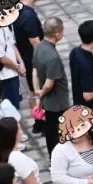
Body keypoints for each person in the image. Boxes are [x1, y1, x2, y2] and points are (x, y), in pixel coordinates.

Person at [33, 16, 69, 154]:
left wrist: (37, 91)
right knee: (58, 135)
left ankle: (52, 157)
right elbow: (49, 84)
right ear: (57, 34)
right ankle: (57, 159)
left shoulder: (39, 47)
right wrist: (41, 92)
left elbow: (35, 71)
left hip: (47, 102)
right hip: (57, 103)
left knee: (50, 131)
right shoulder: (53, 57)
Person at [13, 0, 43, 120]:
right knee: (38, 90)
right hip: (33, 58)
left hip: (25, 55)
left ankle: (37, 119)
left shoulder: (17, 9)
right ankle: (40, 119)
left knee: (32, 89)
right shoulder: (28, 16)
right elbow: (35, 42)